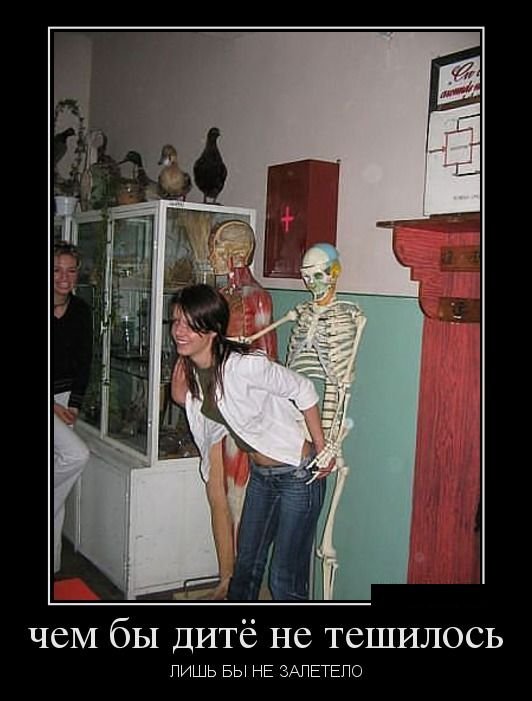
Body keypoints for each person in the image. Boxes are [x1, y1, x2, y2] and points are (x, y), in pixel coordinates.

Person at [170, 283, 331, 601]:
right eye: (176, 321)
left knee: (283, 579)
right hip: (262, 475)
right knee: (244, 570)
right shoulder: (196, 368)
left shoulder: (243, 366)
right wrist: (181, 398)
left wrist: (321, 448)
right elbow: (213, 411)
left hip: (297, 473)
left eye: (189, 324)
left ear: (212, 330)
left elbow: (304, 389)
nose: (178, 331)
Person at [53, 241, 92, 574]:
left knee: (59, 478)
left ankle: (52, 567)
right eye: (56, 270)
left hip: (65, 402)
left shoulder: (81, 311)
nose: (63, 277)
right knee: (77, 455)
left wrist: (74, 405)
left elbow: (84, 362)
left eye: (70, 270)